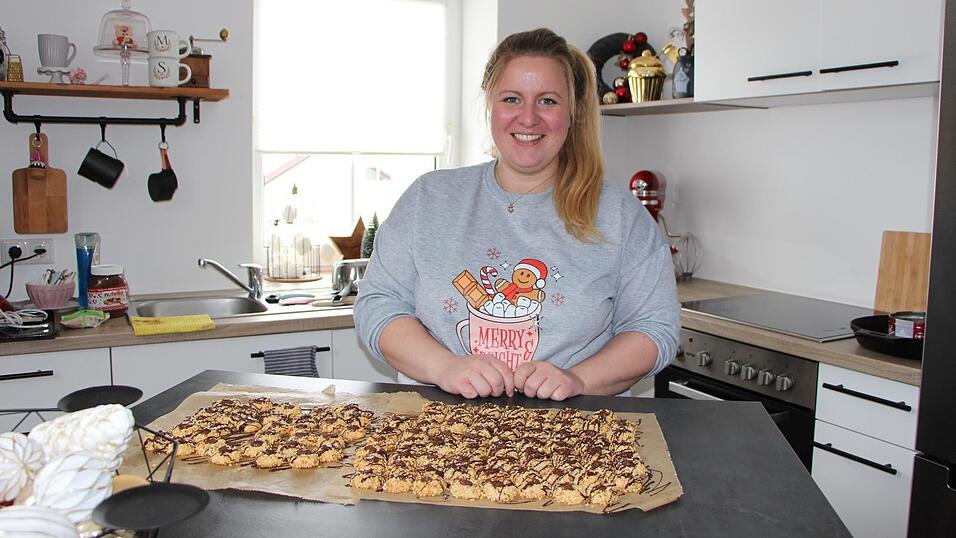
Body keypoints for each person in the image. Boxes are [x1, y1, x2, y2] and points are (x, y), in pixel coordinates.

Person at [354, 28, 679, 401]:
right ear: (490, 105)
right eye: (511, 98)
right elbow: (379, 304)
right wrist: (444, 367)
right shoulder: (428, 198)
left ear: (572, 112)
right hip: (435, 435)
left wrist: (579, 380)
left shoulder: (621, 216)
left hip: (575, 439)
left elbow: (653, 329)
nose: (528, 118)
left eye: (547, 101)